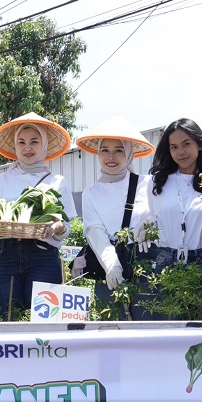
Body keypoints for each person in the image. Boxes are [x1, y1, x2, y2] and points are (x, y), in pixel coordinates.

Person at [0, 112, 76, 318]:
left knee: (45, 323)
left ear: (45, 145)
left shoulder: (58, 182)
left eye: (34, 141)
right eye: (21, 142)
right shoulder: (1, 181)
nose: (27, 148)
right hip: (8, 257)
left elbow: (66, 228)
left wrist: (58, 227)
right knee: (8, 318)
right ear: (15, 147)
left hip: (44, 257)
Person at [133, 118, 202, 319]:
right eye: (174, 147)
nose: (180, 152)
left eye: (186, 144)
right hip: (164, 260)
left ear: (199, 144)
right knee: (166, 325)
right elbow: (153, 214)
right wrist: (146, 224)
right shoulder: (157, 181)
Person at [75, 115, 155, 320]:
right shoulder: (91, 193)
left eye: (119, 150)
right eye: (105, 150)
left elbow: (160, 213)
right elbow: (95, 231)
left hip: (146, 266)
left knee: (149, 323)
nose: (111, 157)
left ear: (129, 154)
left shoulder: (148, 184)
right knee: (110, 327)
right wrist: (112, 265)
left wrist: (149, 223)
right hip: (108, 267)